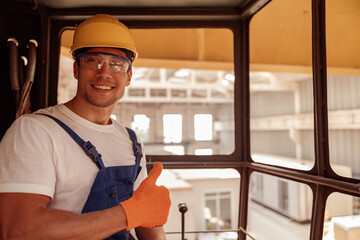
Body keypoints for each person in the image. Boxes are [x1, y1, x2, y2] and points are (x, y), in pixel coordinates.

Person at [0, 14, 171, 240]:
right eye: (93, 61)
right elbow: (19, 231)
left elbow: (148, 224)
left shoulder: (131, 141)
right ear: (76, 69)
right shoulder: (34, 132)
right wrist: (127, 214)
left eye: (116, 64)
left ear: (128, 76)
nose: (104, 73)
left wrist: (148, 212)